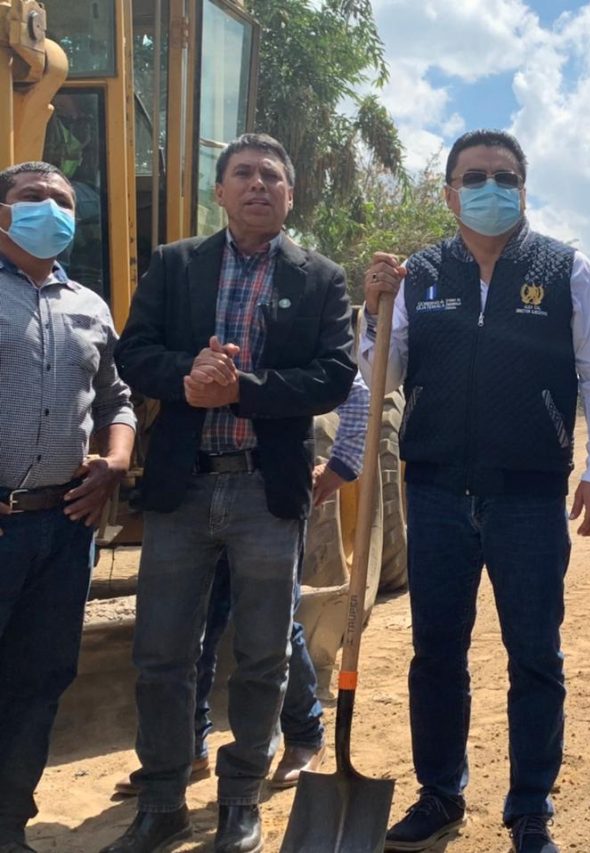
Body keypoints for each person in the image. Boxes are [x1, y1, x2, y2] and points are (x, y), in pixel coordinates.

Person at [360, 129, 590, 853]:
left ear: (524, 190)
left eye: (504, 177)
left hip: (528, 496)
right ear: (450, 195)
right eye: (473, 177)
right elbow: (381, 372)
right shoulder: (418, 276)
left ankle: (530, 804)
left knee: (535, 654)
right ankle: (440, 792)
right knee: (436, 651)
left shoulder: (567, 270)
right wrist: (373, 309)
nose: (490, 188)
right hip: (436, 492)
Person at [104, 133, 356, 853]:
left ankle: (240, 798)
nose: (257, 185)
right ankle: (162, 802)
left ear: (290, 195)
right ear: (219, 191)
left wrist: (241, 388)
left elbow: (334, 376)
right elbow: (134, 351)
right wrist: (188, 377)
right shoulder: (175, 264)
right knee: (161, 653)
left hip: (265, 493)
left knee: (263, 655)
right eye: (242, 174)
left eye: (271, 176)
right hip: (182, 489)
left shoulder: (320, 278)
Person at [112, 369, 371, 796]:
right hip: (193, 494)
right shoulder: (190, 333)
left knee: (272, 631)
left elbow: (355, 395)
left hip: (269, 496)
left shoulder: (291, 333)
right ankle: (190, 747)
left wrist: (339, 467)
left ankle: (305, 735)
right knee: (195, 626)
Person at [0, 161, 136, 853]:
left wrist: (115, 462)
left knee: (40, 678)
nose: (50, 209)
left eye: (63, 201)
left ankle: (8, 824)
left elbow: (116, 400)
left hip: (64, 527)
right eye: (33, 197)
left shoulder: (90, 305)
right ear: (2, 212)